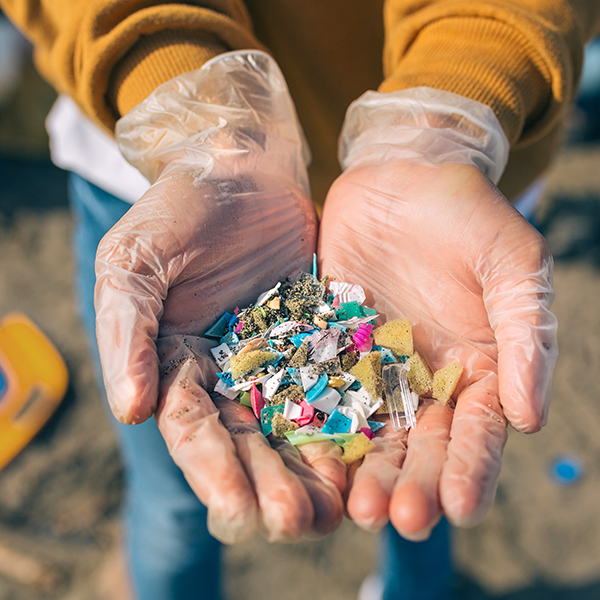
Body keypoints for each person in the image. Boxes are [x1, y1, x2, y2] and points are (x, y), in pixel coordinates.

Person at [1, 2, 599, 599]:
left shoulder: (383, 345)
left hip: (454, 189)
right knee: (176, 498)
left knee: (422, 480)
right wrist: (193, 120)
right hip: (168, 180)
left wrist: (444, 124)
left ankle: (413, 586)